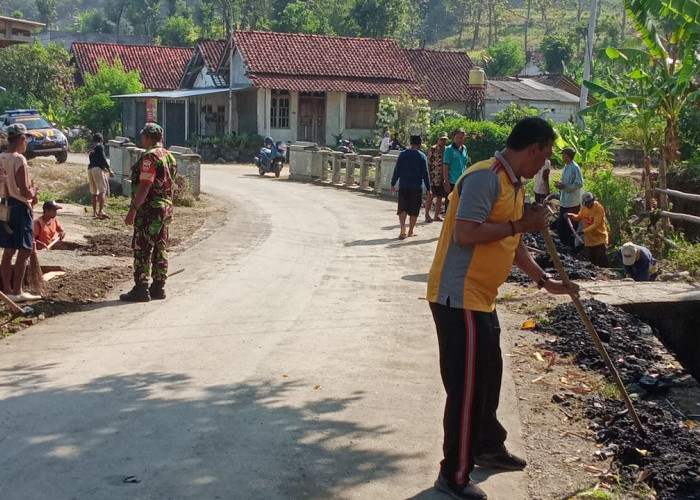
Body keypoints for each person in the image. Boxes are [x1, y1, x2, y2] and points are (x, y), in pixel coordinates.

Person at [427, 117, 579, 500]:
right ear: (534, 149)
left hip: (481, 298)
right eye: (546, 156)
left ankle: (487, 446)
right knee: (466, 388)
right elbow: (466, 234)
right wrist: (519, 226)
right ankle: (455, 474)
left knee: (489, 377)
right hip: (458, 298)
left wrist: (545, 281)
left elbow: (514, 245)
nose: (546, 165)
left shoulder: (514, 183)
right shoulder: (485, 178)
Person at [120, 123, 177, 302]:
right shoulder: (170, 157)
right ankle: (158, 287)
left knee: (142, 248)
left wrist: (133, 210)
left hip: (150, 210)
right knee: (160, 248)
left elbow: (145, 184)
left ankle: (141, 288)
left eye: (143, 136)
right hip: (165, 209)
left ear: (147, 137)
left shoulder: (150, 157)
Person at [0, 123, 41, 302]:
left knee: (8, 250)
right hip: (20, 207)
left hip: (4, 205)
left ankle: (7, 289)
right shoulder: (19, 159)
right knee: (24, 250)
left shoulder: (1, 157)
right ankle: (17, 291)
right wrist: (34, 193)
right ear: (22, 139)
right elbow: (24, 190)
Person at [390, 135, 430, 240]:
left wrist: (393, 184)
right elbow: (425, 174)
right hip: (416, 186)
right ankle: (411, 231)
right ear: (420, 145)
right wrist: (429, 189)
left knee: (402, 207)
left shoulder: (403, 155)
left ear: (410, 143)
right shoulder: (422, 156)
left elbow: (397, 170)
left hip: (404, 185)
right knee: (414, 209)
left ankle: (402, 227)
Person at [567, 192, 609, 267]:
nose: (589, 204)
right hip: (589, 240)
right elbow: (578, 217)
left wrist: (583, 231)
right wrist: (571, 215)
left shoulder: (598, 208)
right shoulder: (583, 208)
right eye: (587, 203)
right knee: (590, 260)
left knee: (602, 259)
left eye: (590, 202)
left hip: (600, 238)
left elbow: (596, 224)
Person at [554, 148, 583, 248]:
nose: (562, 157)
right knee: (561, 225)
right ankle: (564, 245)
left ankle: (571, 247)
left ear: (569, 156)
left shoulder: (575, 167)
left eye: (564, 155)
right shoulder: (566, 167)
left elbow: (579, 183)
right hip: (564, 201)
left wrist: (565, 186)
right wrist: (561, 185)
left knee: (570, 226)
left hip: (572, 202)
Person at [87, 133, 115, 219]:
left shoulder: (92, 149)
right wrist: (109, 169)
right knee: (103, 190)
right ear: (101, 140)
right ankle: (101, 211)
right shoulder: (100, 146)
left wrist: (103, 168)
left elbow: (95, 160)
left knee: (94, 192)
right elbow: (103, 158)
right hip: (97, 170)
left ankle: (94, 212)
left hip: (90, 169)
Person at [425, 131, 448, 223]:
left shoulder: (447, 150)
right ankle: (427, 214)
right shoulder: (433, 149)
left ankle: (436, 215)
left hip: (442, 178)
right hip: (434, 177)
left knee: (440, 197)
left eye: (444, 140)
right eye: (441, 139)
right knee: (430, 196)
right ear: (438, 139)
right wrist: (428, 177)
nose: (443, 141)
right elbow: (428, 163)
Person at [442, 128, 468, 195]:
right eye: (457, 137)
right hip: (452, 183)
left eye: (461, 138)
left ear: (464, 138)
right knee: (450, 204)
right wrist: (446, 183)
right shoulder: (449, 149)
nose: (459, 140)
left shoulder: (464, 148)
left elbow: (465, 165)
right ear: (454, 137)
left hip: (462, 182)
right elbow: (445, 167)